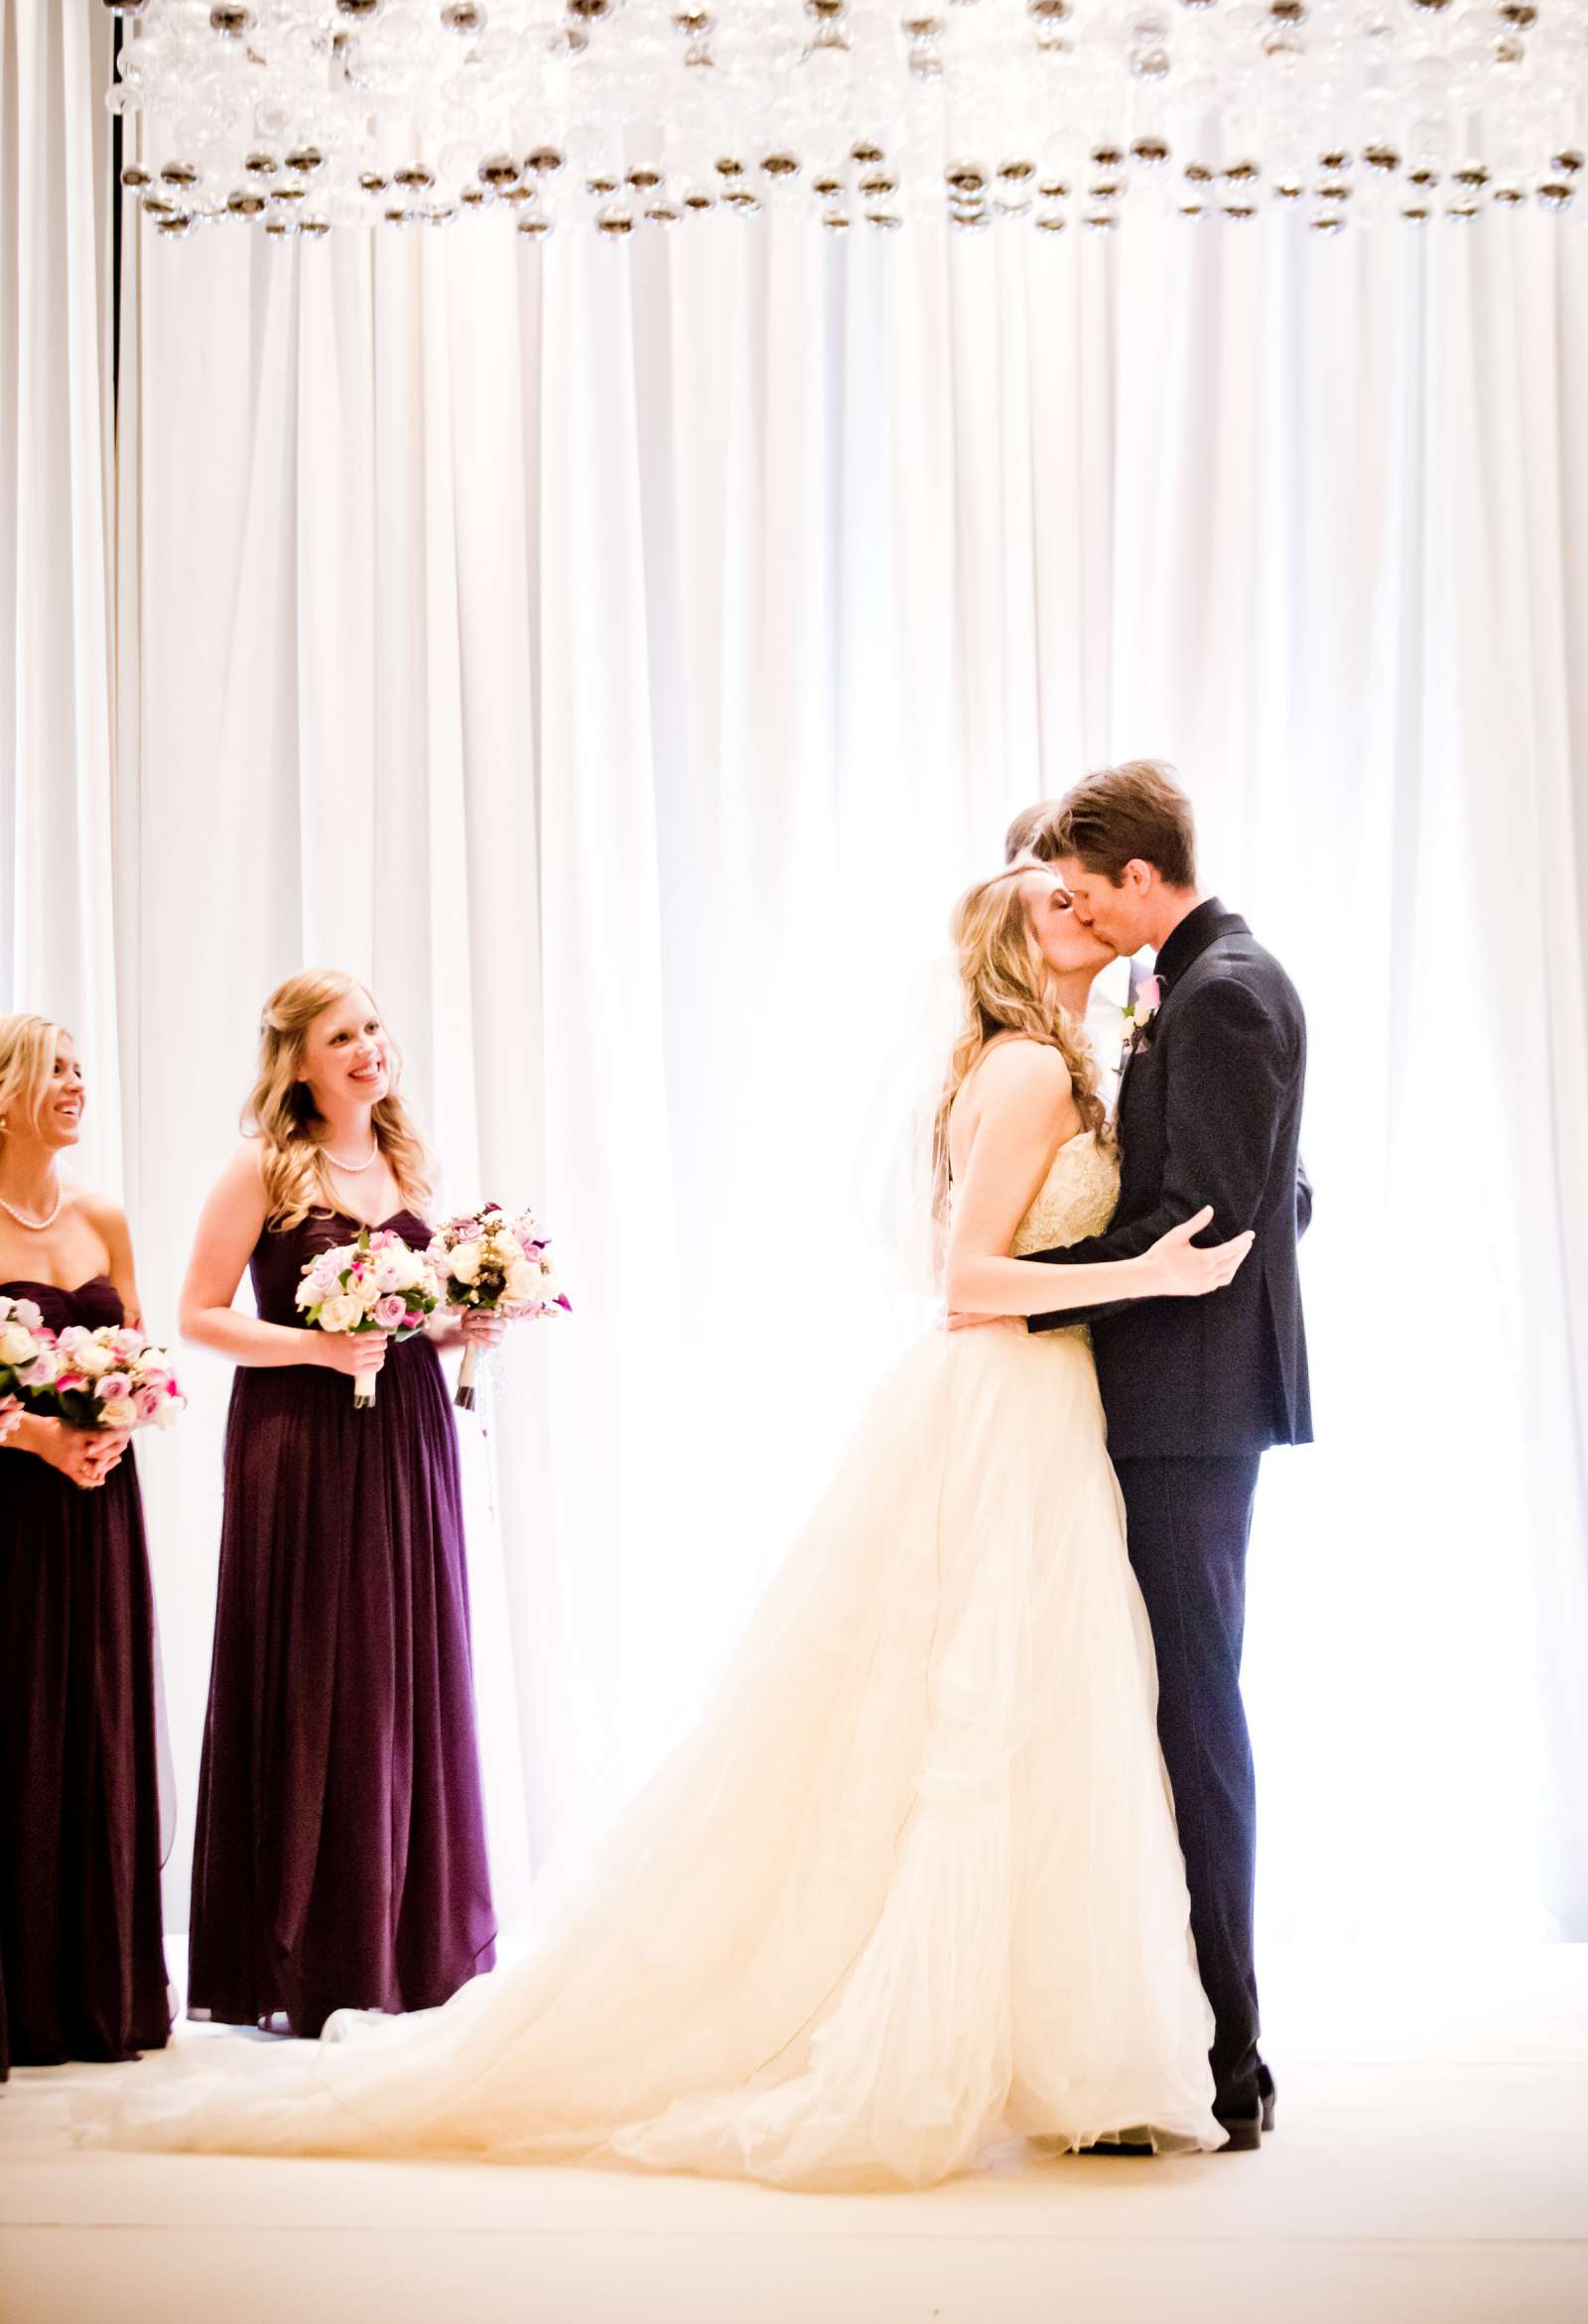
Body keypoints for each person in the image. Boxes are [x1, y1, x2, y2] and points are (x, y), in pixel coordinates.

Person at [89, 869, 1253, 2188]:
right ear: (1013, 944)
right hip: (1001, 1400)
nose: (1084, 909)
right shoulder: (1029, 1073)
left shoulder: (1042, 1060)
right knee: (985, 1714)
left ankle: (1047, 2036)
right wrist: (1148, 1274)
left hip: (1036, 1412)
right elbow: (964, 1283)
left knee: (1035, 1711)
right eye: (1056, 903)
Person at [993, 761, 1311, 2151]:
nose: (1083, 914)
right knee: (1155, 1713)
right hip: (1176, 1401)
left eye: (1090, 888)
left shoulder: (1222, 990)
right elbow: (1280, 1190)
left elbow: (1218, 1221)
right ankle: (1175, 2033)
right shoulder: (1200, 983)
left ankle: (1232, 2058)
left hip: (1187, 1415)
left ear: (1141, 877)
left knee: (1195, 1720)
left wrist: (1013, 1286)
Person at [182, 971, 500, 2038]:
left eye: (372, 1028)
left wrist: (463, 1329)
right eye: (340, 1036)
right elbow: (200, 1316)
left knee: (403, 1665)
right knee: (326, 1665)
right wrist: (316, 1348)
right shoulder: (266, 1170)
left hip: (408, 1432)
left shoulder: (410, 1161)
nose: (368, 1048)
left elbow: (417, 1314)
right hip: (302, 1444)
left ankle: (407, 1943)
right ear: (300, 1063)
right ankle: (306, 1950)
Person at [0, 1013, 170, 2073]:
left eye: (79, 1069)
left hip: (99, 1503)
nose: (75, 1083)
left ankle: (90, 1992)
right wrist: (37, 1438)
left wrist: (118, 1421)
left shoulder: (102, 1213)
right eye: (53, 1069)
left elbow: (142, 1353)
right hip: (10, 1507)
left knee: (95, 1723)